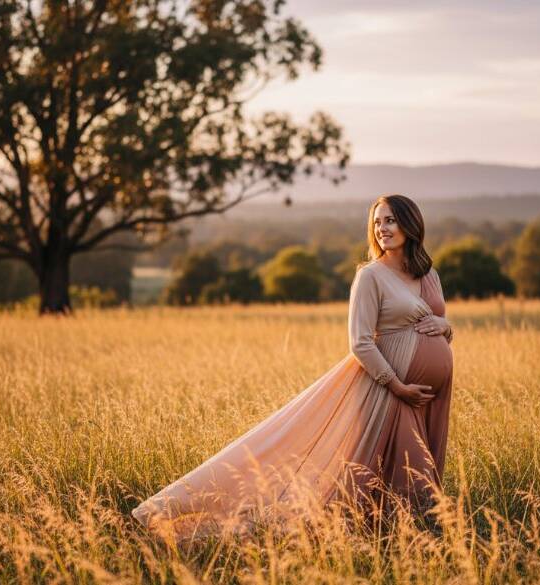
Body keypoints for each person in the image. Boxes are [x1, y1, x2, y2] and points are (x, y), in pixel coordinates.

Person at [131, 194, 454, 541]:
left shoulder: (428, 273)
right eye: (377, 222)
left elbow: (440, 322)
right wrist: (397, 385)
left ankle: (392, 541)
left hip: (430, 393)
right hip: (389, 390)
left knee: (415, 471)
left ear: (410, 222)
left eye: (390, 220)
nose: (382, 229)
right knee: (411, 475)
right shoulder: (370, 276)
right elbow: (360, 342)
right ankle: (408, 541)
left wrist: (446, 328)